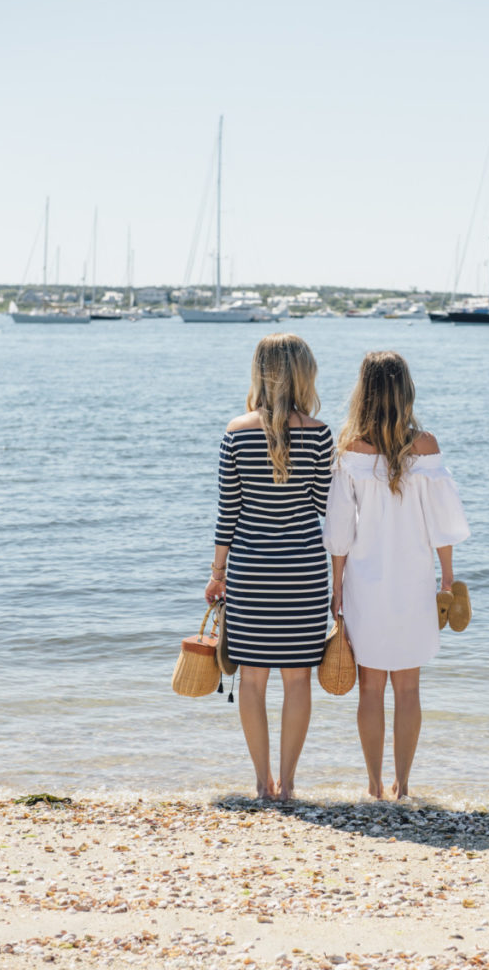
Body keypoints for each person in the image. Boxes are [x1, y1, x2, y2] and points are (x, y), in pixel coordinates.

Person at [323, 351, 469, 800]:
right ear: (406, 391)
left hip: (364, 582)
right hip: (413, 582)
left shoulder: (349, 448)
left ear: (363, 392)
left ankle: (373, 786)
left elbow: (340, 529)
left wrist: (336, 589)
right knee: (408, 689)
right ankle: (403, 785)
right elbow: (441, 522)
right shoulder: (423, 445)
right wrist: (447, 579)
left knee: (370, 689)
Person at [205, 333, 333, 801]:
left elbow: (228, 511)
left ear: (259, 371)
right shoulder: (318, 433)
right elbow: (325, 505)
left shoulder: (235, 431)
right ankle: (290, 783)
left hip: (251, 572)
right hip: (303, 572)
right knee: (297, 677)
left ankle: (262, 784)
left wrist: (217, 574)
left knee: (252, 678)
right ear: (304, 373)